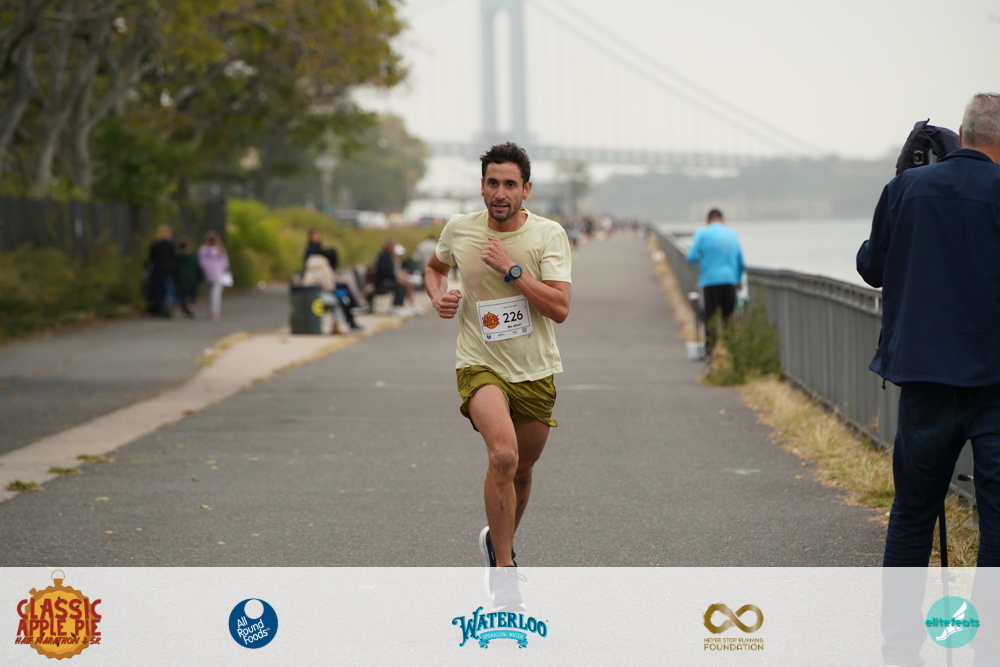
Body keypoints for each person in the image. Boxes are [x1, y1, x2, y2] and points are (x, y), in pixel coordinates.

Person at [424, 142, 572, 610]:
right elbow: (434, 268)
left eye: (510, 184)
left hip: (534, 369)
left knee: (522, 470)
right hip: (479, 363)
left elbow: (559, 307)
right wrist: (439, 296)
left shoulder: (548, 235)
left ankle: (497, 539)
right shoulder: (459, 229)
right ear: (482, 186)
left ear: (526, 190)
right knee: (504, 456)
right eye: (493, 183)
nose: (500, 192)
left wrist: (512, 271)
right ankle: (504, 573)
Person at [857, 93, 1000, 569]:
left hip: (925, 376)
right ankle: (991, 622)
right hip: (993, 378)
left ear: (961, 134)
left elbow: (872, 267)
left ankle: (899, 623)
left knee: (913, 514)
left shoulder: (906, 188)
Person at [685, 208, 744, 357]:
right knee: (729, 316)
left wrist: (704, 258)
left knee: (709, 317)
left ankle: (710, 350)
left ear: (707, 221)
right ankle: (731, 351)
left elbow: (691, 257)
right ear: (723, 220)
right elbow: (740, 261)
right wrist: (738, 280)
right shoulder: (731, 234)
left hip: (709, 281)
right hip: (729, 280)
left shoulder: (702, 234)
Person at [302, 251, 362, 333]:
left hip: (308, 296)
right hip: (320, 296)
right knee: (338, 301)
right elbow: (329, 286)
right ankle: (335, 325)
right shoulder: (324, 266)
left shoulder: (309, 266)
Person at [369, 240, 409, 315]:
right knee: (400, 286)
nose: (394, 249)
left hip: (387, 280)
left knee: (403, 285)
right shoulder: (383, 257)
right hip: (381, 283)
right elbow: (386, 272)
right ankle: (396, 307)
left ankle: (398, 306)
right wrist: (396, 279)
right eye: (393, 247)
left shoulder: (390, 257)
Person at [198, 230, 229, 322]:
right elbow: (225, 263)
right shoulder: (220, 250)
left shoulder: (203, 250)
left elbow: (201, 263)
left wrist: (207, 269)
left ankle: (210, 311)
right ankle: (215, 311)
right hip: (218, 274)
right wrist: (223, 270)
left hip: (208, 274)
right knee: (216, 294)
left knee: (209, 293)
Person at [147, 225, 176, 317]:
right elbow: (174, 257)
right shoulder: (170, 245)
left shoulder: (155, 245)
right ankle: (167, 306)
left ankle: (161, 309)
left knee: (159, 291)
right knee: (168, 290)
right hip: (168, 270)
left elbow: (151, 258)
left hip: (157, 270)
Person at [174, 236, 201, 319]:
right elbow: (197, 267)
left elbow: (175, 268)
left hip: (182, 278)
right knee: (193, 293)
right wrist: (199, 277)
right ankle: (191, 304)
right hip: (192, 278)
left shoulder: (178, 257)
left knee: (183, 296)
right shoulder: (193, 256)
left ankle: (185, 311)